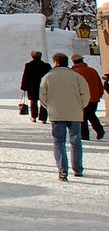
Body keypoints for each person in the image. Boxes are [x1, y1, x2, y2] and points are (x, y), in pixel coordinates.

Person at [39, 53, 89, 181]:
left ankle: (62, 170)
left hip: (57, 113)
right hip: (75, 113)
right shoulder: (77, 76)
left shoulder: (48, 77)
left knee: (59, 141)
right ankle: (77, 169)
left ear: (55, 62)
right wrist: (80, 106)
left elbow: (42, 95)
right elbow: (85, 94)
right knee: (76, 141)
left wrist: (49, 107)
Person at [70, 53, 104, 141]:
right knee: (91, 114)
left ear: (73, 62)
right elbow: (99, 83)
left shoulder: (73, 73)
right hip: (94, 97)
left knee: (82, 116)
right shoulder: (92, 70)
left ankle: (85, 134)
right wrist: (99, 94)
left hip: (81, 98)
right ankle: (99, 130)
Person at [19, 50, 51, 123]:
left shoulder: (29, 65)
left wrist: (24, 86)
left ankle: (33, 117)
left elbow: (26, 76)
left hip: (32, 87)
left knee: (33, 101)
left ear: (32, 57)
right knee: (44, 102)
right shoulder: (46, 66)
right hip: (44, 86)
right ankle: (43, 118)